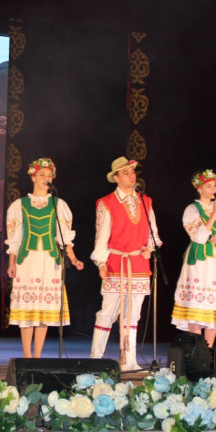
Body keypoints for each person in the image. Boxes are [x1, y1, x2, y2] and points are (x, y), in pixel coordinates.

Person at [6, 158, 84, 358]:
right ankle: (26, 356)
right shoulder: (19, 205)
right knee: (28, 310)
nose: (46, 178)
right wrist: (11, 263)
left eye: (49, 176)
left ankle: (37, 356)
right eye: (42, 175)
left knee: (44, 310)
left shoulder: (59, 205)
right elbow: (14, 238)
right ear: (33, 177)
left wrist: (74, 259)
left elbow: (64, 238)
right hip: (28, 260)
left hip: (50, 261)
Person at [90, 156, 162, 372]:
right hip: (116, 262)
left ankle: (128, 360)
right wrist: (101, 263)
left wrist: (150, 248)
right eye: (126, 173)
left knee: (133, 314)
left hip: (138, 263)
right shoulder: (107, 203)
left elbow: (153, 233)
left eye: (132, 172)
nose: (131, 176)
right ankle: (95, 358)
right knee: (108, 312)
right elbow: (101, 236)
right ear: (116, 178)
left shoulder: (145, 201)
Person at [171, 169, 216, 347]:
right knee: (196, 306)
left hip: (215, 262)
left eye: (214, 186)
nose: (214, 189)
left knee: (213, 308)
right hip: (198, 262)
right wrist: (213, 213)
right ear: (199, 189)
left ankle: (208, 351)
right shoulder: (192, 210)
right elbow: (198, 237)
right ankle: (197, 351)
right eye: (209, 186)